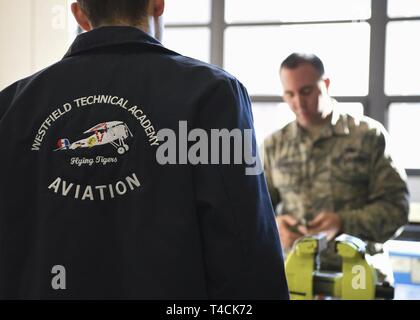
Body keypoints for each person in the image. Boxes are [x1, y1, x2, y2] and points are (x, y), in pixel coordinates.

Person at [0, 0, 289, 299]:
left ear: (79, 14)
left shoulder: (10, 106)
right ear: (158, 4)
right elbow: (246, 252)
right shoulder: (213, 93)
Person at [263, 52, 409, 270]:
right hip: (294, 275)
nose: (298, 102)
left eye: (306, 91)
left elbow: (396, 209)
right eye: (289, 94)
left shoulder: (369, 136)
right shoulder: (274, 144)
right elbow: (257, 208)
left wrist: (343, 222)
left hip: (358, 275)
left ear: (326, 84)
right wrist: (274, 225)